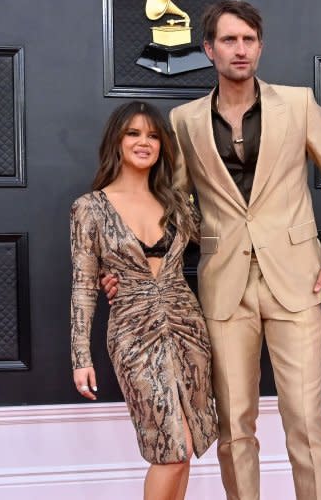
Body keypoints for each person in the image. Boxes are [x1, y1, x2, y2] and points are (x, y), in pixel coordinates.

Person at [104, 0, 321, 500]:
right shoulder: (184, 121)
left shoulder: (300, 104)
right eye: (228, 40)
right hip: (223, 290)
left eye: (247, 40)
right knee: (234, 428)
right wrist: (126, 267)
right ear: (208, 50)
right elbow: (171, 209)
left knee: (306, 424)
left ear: (259, 47)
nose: (239, 49)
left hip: (299, 281)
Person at [70, 101, 217, 500]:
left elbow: (220, 244)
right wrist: (80, 356)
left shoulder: (179, 203)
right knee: (168, 449)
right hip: (133, 336)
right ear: (116, 141)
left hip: (188, 328)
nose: (143, 142)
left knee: (185, 451)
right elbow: (83, 285)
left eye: (153, 135)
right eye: (133, 133)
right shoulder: (90, 208)